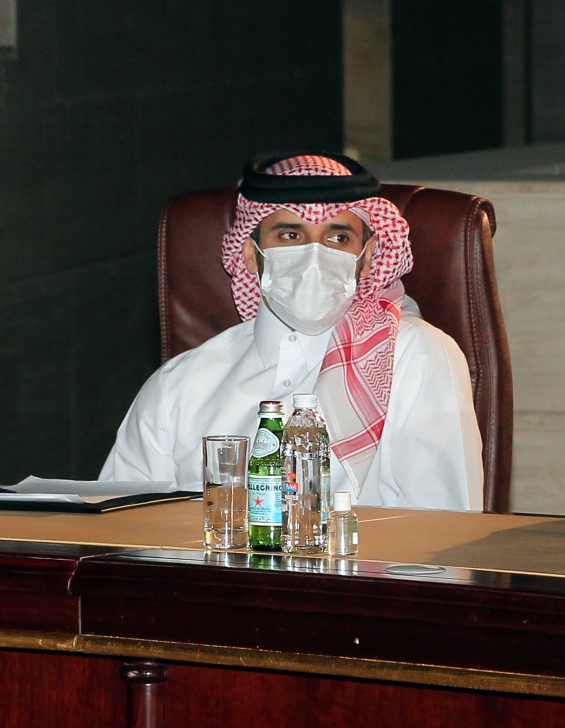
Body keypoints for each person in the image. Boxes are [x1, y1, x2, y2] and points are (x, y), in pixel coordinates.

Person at [101, 151, 484, 509]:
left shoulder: (415, 357)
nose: (314, 256)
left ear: (366, 259)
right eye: (290, 235)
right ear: (251, 255)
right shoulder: (179, 386)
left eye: (338, 238)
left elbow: (445, 541)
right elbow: (117, 535)